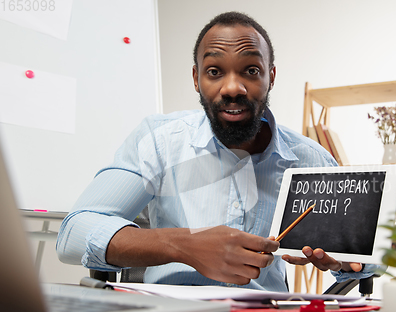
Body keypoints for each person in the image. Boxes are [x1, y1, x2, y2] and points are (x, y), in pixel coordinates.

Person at [56, 11, 374, 292]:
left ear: (270, 77)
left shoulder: (311, 158)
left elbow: (368, 261)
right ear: (196, 79)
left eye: (250, 70)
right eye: (214, 71)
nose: (232, 88)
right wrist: (183, 245)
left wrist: (349, 261)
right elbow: (73, 233)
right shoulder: (158, 140)